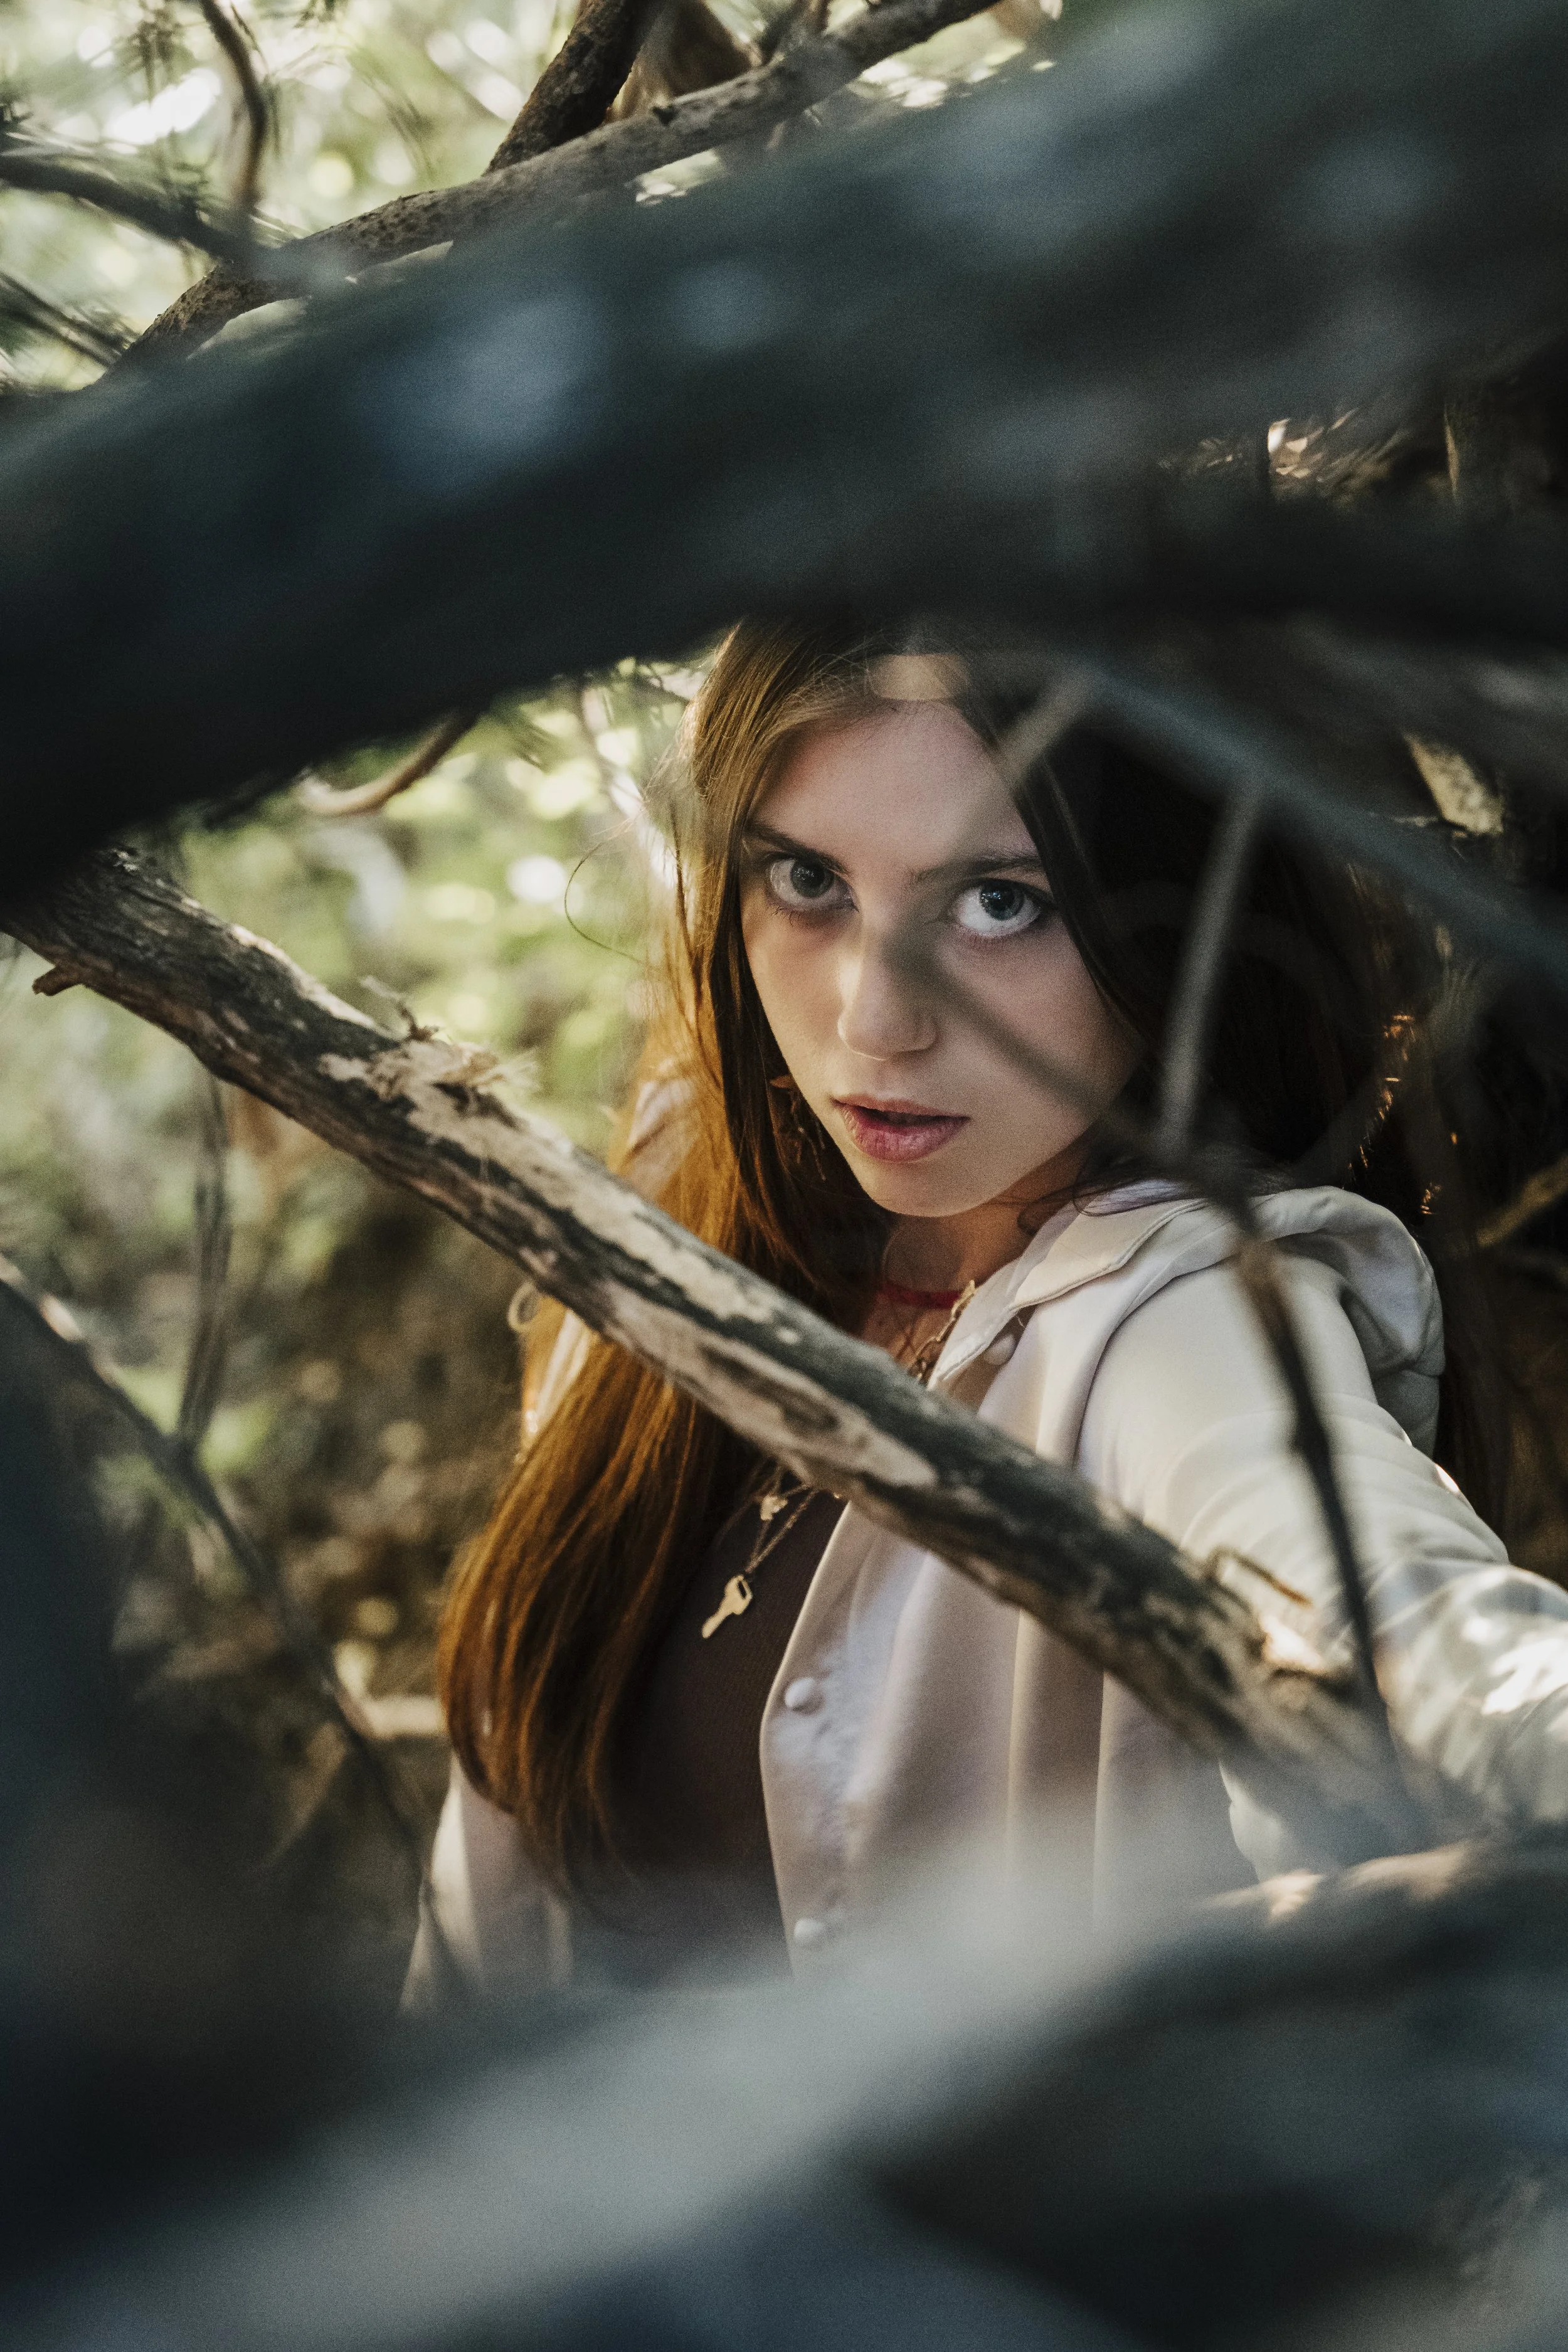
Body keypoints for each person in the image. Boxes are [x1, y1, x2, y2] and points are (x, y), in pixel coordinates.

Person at [407, 618, 1568, 2002]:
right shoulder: (677, 1204)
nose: (874, 1020)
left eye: (1000, 902)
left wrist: (1527, 1727)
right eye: (809, 880)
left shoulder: (1174, 1317)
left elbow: (1387, 1601)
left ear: (1178, 914)